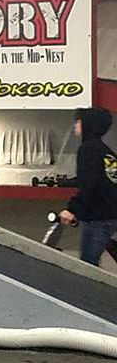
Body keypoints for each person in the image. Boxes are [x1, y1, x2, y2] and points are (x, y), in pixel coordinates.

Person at [58, 108, 117, 265]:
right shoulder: (106, 152)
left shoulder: (88, 149)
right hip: (110, 214)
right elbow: (104, 181)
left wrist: (71, 209)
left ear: (88, 124)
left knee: (87, 267)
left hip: (98, 218)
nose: (75, 125)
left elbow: (89, 185)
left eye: (78, 122)